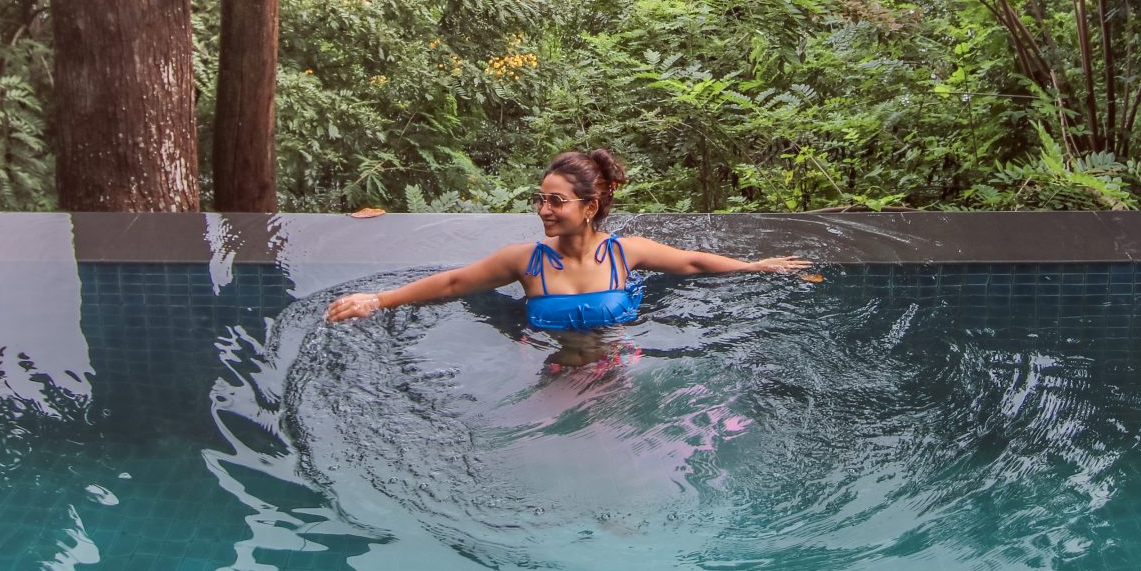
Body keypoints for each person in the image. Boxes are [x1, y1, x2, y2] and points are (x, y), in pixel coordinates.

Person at [325, 147, 813, 333]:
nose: (543, 210)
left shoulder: (626, 253)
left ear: (590, 207)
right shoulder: (526, 262)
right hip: (551, 372)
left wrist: (756, 267)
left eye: (556, 201)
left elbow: (693, 263)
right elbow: (454, 283)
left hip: (620, 373)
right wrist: (378, 300)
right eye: (541, 199)